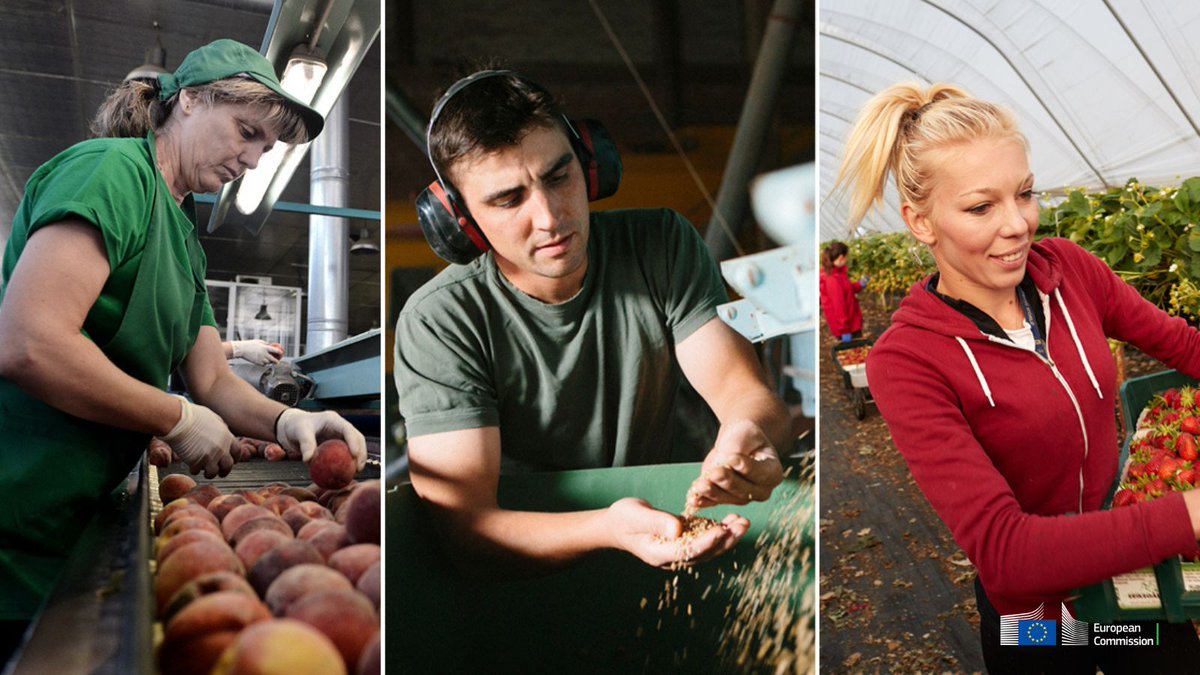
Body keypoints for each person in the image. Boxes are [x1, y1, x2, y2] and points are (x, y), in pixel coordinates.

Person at [0, 39, 367, 652]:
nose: (251, 158)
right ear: (190, 101)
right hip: (18, 512)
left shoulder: (187, 241)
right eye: (245, 131)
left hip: (76, 517)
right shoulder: (112, 173)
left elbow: (214, 381)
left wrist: (292, 422)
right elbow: (29, 341)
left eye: (265, 148)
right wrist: (174, 417)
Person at [838, 81, 1200, 672]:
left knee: (1156, 656)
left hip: (1131, 579)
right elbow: (1007, 554)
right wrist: (1190, 513)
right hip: (1037, 620)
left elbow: (1183, 344)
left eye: (1025, 194)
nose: (1017, 225)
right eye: (981, 207)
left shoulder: (1071, 271)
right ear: (921, 222)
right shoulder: (906, 361)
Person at [393, 70, 791, 575]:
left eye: (559, 177)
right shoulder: (440, 321)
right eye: (509, 199)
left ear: (589, 164)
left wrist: (747, 434)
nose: (550, 216)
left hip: (659, 533)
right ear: (460, 219)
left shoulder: (661, 246)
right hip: (515, 578)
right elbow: (465, 527)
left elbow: (746, 393)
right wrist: (608, 529)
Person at [818, 240, 868, 342]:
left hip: (851, 321)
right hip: (847, 326)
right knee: (853, 353)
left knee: (856, 353)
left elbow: (847, 290)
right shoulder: (832, 279)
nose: (847, 259)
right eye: (847, 257)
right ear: (841, 257)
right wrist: (844, 330)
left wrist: (859, 284)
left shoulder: (839, 273)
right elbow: (838, 306)